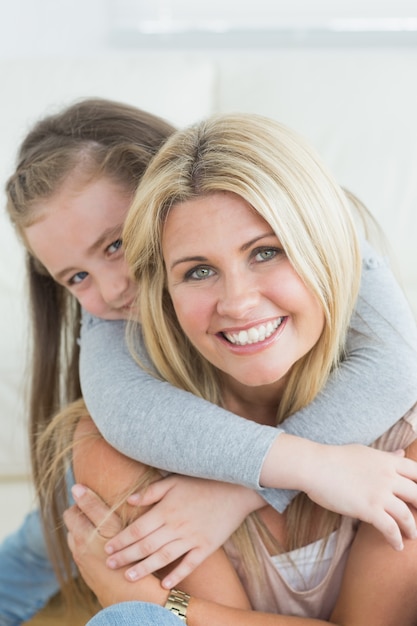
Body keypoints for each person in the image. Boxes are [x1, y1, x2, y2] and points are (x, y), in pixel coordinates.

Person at [2, 98, 417, 622]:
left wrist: (237, 497)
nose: (112, 290)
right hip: (151, 439)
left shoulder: (314, 230)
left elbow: (396, 365)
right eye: (74, 277)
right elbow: (129, 413)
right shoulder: (112, 342)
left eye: (116, 245)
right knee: (55, 540)